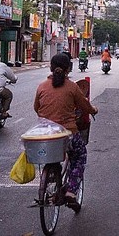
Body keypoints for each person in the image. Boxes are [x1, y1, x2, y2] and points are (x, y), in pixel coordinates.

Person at [34, 53, 98, 210]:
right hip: (67, 133)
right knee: (79, 156)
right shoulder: (72, 87)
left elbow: (36, 108)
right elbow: (85, 107)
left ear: (50, 67)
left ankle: (51, 175)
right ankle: (71, 191)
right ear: (69, 68)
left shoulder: (42, 86)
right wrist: (94, 110)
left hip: (46, 133)